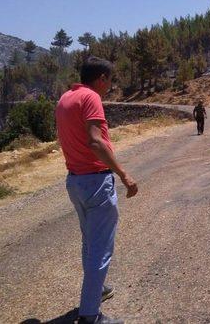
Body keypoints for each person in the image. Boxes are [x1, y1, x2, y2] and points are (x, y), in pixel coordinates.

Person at [56, 56, 138, 324]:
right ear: (101, 78)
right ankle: (91, 315)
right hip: (95, 181)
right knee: (101, 248)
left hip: (75, 181)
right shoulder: (91, 98)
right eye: (110, 81)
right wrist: (123, 174)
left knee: (89, 241)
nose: (110, 86)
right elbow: (95, 141)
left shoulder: (66, 98)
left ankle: (97, 289)